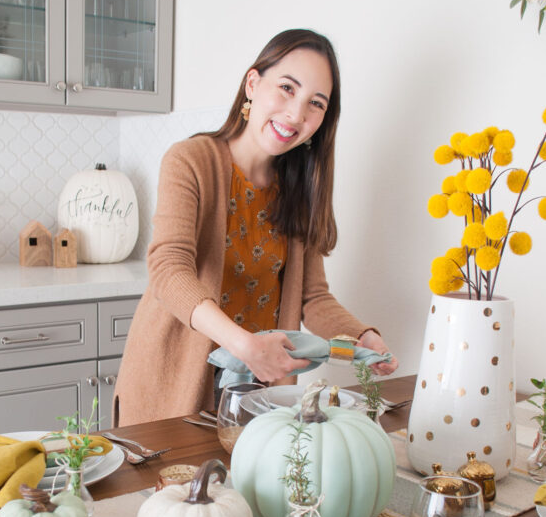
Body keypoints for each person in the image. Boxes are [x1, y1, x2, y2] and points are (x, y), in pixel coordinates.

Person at [114, 28, 398, 426]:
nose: (296, 114)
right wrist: (245, 345)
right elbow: (168, 269)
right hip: (170, 387)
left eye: (315, 104)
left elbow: (313, 297)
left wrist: (362, 337)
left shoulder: (300, 191)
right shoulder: (189, 161)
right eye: (286, 88)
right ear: (252, 84)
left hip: (255, 394)